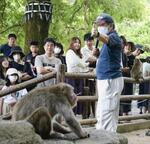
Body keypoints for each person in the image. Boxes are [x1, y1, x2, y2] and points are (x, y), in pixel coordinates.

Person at [91, 13, 124, 132]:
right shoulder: (106, 41)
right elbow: (109, 56)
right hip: (105, 80)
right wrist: (98, 54)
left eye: (102, 24)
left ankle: (107, 138)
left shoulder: (114, 36)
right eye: (98, 25)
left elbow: (107, 39)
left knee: (107, 112)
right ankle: (103, 136)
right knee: (102, 110)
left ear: (111, 26)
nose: (99, 26)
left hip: (110, 79)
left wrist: (98, 35)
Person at [66, 36, 90, 118]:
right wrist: (85, 64)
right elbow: (75, 62)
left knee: (79, 95)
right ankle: (70, 115)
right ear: (72, 43)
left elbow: (82, 65)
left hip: (79, 77)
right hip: (71, 77)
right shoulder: (69, 52)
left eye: (79, 42)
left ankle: (76, 115)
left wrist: (85, 66)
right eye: (75, 42)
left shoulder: (79, 54)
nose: (78, 44)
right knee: (72, 96)